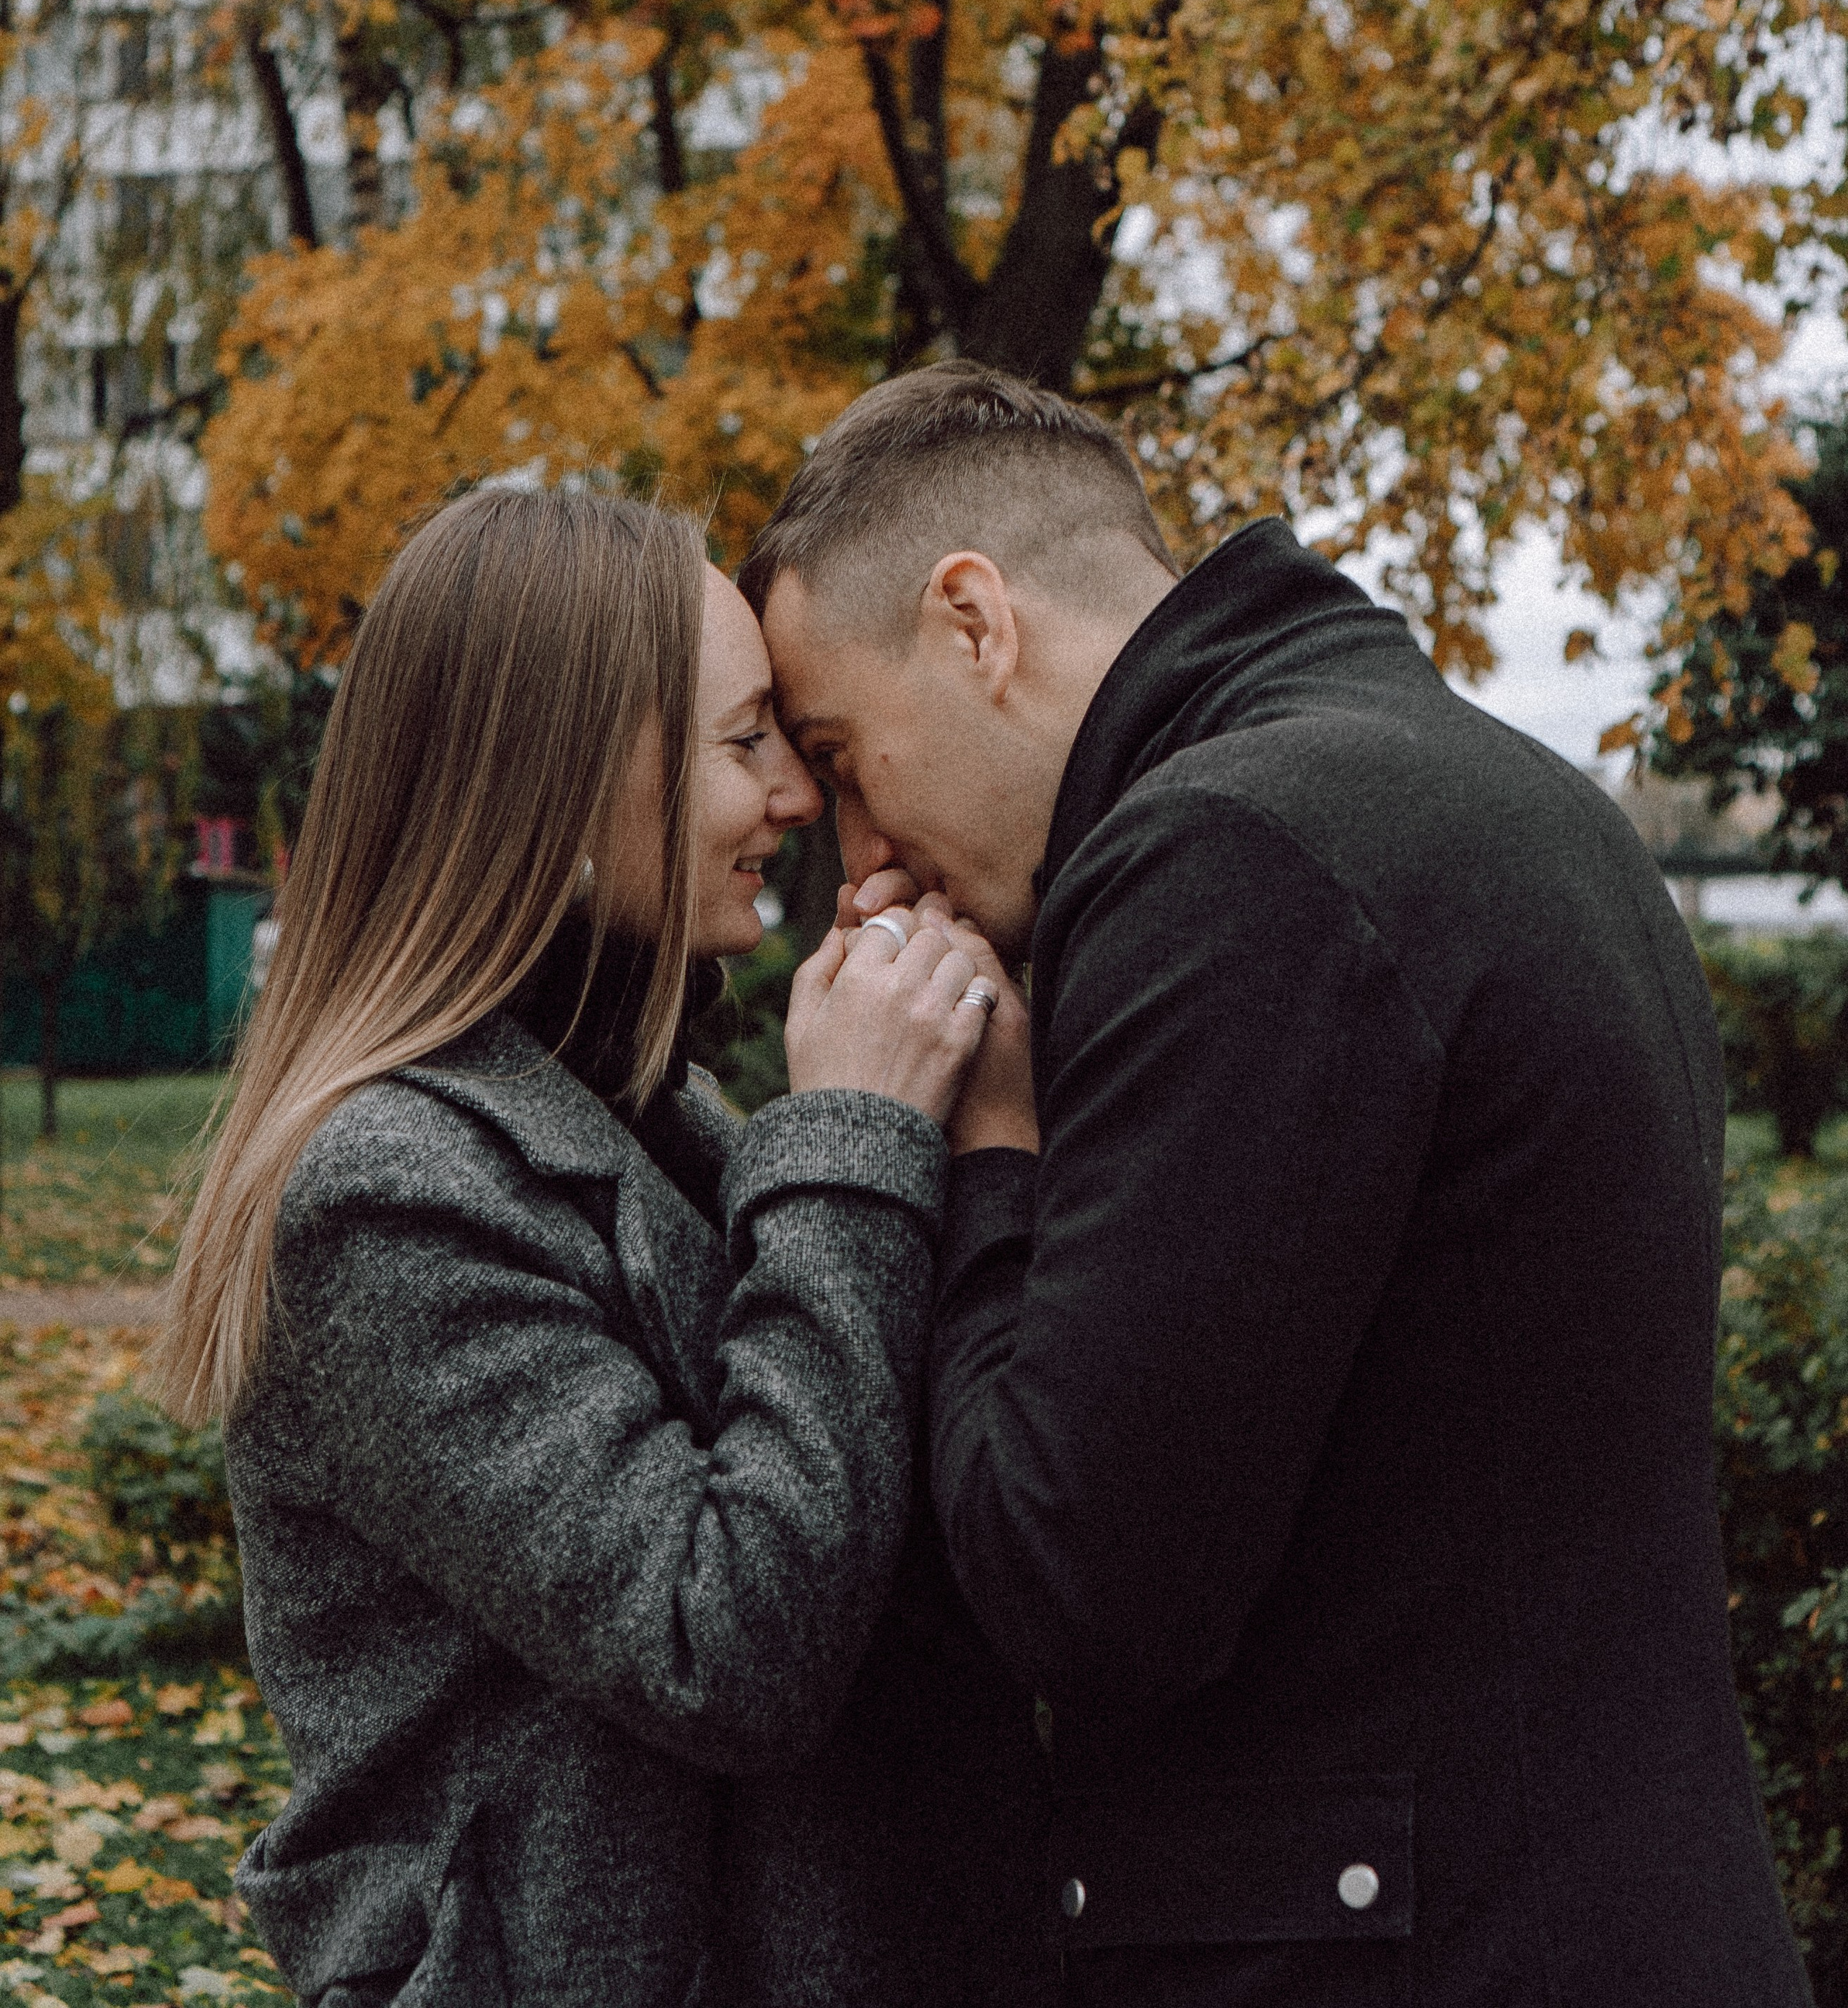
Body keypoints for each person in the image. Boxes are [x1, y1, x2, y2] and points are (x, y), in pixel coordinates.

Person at [743, 361, 1813, 2008]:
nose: (862, 855)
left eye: (844, 753)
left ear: (974, 622)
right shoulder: (1491, 791)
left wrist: (987, 1152)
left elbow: (1074, 1588)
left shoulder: (1233, 858)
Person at [157, 484, 1053, 2008]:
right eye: (745, 741)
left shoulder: (654, 1120)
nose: (793, 798)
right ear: (562, 783)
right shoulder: (386, 1190)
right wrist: (852, 1137)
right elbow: (727, 1641)